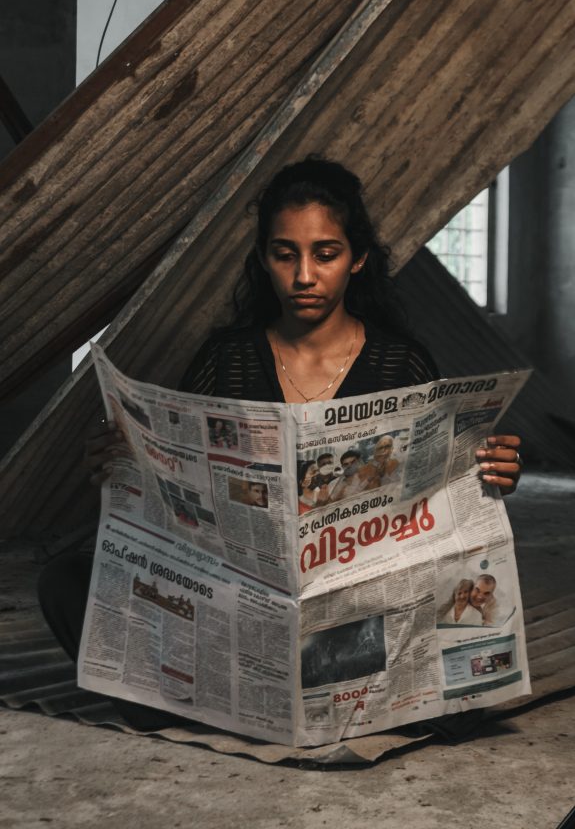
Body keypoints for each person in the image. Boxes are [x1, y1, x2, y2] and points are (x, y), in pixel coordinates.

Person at [39, 155, 522, 731]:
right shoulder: (228, 358)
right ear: (264, 259)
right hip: (247, 612)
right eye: (284, 253)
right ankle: (254, 706)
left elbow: (438, 502)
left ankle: (273, 713)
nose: (304, 276)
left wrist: (492, 471)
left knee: (465, 661)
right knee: (66, 580)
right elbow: (183, 502)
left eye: (325, 253)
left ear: (358, 259)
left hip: (358, 613)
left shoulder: (401, 361)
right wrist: (124, 464)